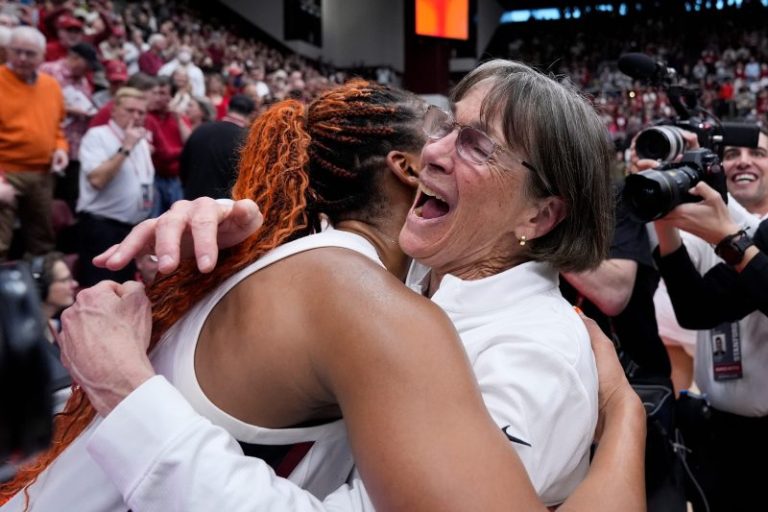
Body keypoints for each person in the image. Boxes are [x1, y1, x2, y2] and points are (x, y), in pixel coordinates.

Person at [2, 65, 642, 511]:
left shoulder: (530, 356)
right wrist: (233, 246)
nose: (437, 152)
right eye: (446, 126)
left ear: (538, 215)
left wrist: (130, 395)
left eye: (476, 144)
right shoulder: (401, 282)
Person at [650, 130, 768, 512]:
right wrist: (664, 217)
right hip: (721, 430)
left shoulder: (742, 232)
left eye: (758, 152)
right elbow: (697, 310)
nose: (744, 161)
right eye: (731, 153)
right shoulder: (757, 235)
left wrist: (731, 239)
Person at [0, 26, 68, 261]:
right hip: (6, 174)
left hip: (42, 174)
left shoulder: (51, 86)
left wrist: (61, 148)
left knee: (42, 240)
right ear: (7, 51)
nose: (22, 58)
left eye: (30, 53)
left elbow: (58, 127)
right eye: (17, 51)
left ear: (42, 56)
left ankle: (42, 293)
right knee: (1, 242)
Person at [75, 87, 154, 287]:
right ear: (114, 111)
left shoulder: (140, 140)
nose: (136, 116)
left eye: (141, 112)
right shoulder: (97, 136)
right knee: (103, 289)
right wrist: (125, 148)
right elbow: (97, 180)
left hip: (131, 228)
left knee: (126, 288)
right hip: (102, 227)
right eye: (130, 110)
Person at [27, 251, 77, 412]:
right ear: (40, 287)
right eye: (64, 280)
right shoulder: (22, 340)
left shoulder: (60, 328)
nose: (74, 284)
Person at [180, 93, 254, 199]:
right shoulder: (247, 139)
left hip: (193, 200)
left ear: (227, 108)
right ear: (251, 115)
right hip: (225, 207)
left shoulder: (201, 130)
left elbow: (184, 166)